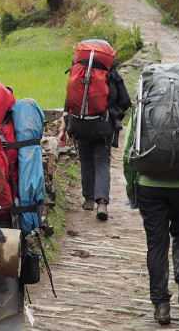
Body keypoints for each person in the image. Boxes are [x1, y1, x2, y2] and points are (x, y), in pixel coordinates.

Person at [123, 63, 179, 325]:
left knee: (156, 243)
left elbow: (129, 152)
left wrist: (132, 189)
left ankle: (161, 304)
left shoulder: (143, 103)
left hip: (150, 185)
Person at [56, 40, 131, 221]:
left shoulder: (77, 74)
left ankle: (88, 199)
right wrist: (114, 117)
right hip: (103, 126)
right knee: (102, 162)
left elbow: (69, 103)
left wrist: (63, 129)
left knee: (86, 159)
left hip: (79, 124)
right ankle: (102, 202)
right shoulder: (112, 76)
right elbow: (125, 102)